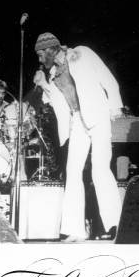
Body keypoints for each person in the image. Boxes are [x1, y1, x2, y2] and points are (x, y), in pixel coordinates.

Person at [33, 32, 123, 242]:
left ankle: (116, 223)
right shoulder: (53, 72)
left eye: (40, 54)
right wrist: (45, 85)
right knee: (72, 171)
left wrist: (115, 105)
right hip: (77, 121)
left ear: (49, 50)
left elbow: (107, 77)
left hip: (98, 113)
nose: (39, 59)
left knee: (100, 168)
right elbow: (56, 103)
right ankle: (75, 229)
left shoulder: (82, 53)